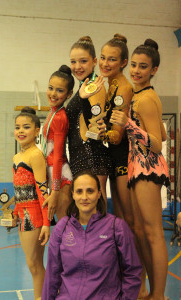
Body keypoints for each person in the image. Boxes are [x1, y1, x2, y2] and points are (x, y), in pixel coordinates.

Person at [111, 39, 170, 300]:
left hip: (148, 167)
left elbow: (157, 145)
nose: (135, 70)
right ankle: (146, 291)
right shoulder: (142, 96)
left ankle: (158, 295)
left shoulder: (146, 98)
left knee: (153, 233)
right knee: (142, 232)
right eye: (133, 65)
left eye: (142, 67)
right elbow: (164, 133)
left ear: (154, 70)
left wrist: (129, 125)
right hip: (137, 167)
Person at [42, 170, 142, 300]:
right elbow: (52, 274)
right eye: (79, 191)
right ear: (72, 195)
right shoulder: (62, 228)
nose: (84, 197)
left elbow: (132, 272)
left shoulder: (116, 227)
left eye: (90, 191)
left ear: (99, 193)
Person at [66, 36, 111, 203]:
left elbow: (97, 129)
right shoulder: (84, 87)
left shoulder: (95, 86)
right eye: (73, 62)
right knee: (86, 214)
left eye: (83, 61)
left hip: (91, 157)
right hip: (80, 157)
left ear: (94, 61)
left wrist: (89, 137)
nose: (77, 67)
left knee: (96, 213)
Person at [13, 107, 50, 300]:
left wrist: (46, 222)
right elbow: (19, 192)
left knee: (34, 263)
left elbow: (43, 191)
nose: (20, 131)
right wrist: (14, 212)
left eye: (26, 127)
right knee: (33, 263)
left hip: (33, 214)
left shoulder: (35, 155)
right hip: (22, 214)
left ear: (37, 131)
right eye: (17, 127)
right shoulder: (17, 157)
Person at [98, 34, 133, 223]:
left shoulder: (124, 88)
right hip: (113, 155)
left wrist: (97, 133)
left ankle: (133, 253)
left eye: (111, 59)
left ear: (123, 62)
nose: (105, 63)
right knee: (119, 216)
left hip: (123, 157)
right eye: (103, 57)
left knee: (126, 216)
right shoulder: (110, 84)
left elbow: (117, 136)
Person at [42, 65, 75, 221]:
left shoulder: (60, 117)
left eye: (59, 90)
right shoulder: (52, 112)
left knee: (65, 225)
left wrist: (54, 191)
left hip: (60, 175)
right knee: (62, 227)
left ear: (69, 94)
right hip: (54, 173)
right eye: (50, 88)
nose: (53, 94)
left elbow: (58, 156)